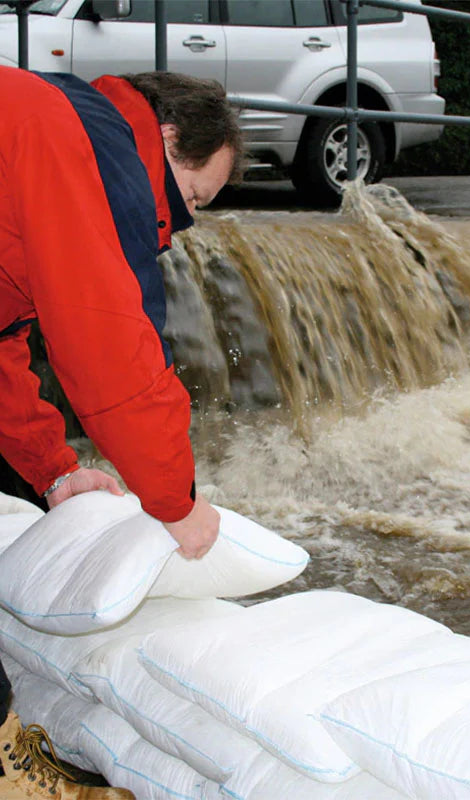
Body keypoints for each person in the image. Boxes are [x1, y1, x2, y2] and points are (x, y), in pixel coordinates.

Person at [0, 66, 245, 797]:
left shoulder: (44, 124)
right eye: (190, 199)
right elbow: (109, 339)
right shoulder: (67, 140)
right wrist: (176, 501)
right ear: (166, 137)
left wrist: (51, 466)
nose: (175, 223)